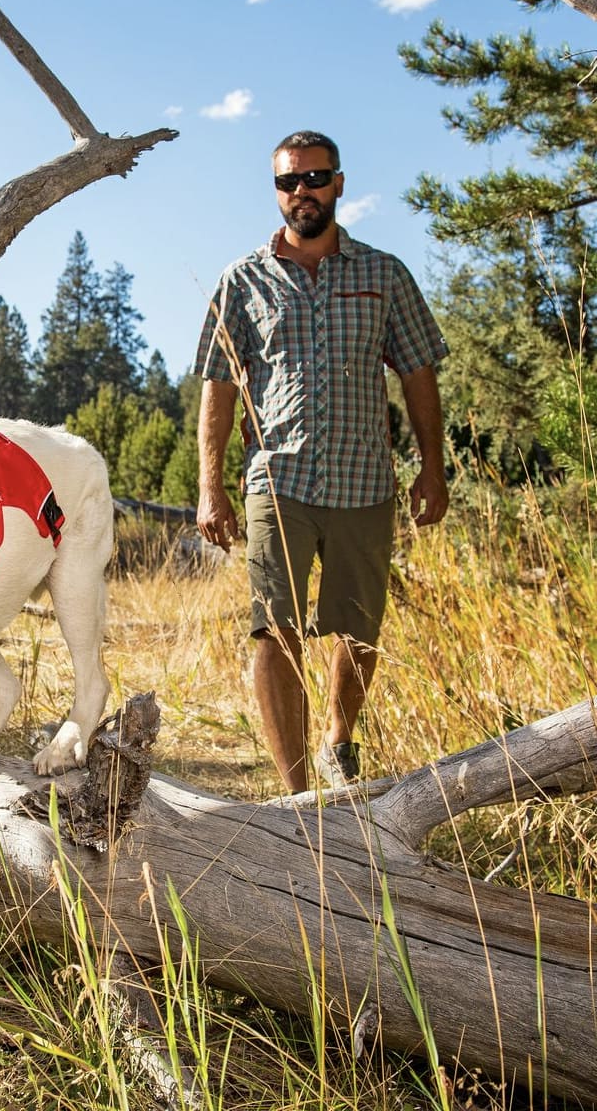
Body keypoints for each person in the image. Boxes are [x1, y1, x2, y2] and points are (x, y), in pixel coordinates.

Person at [194, 130, 449, 794]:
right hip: (277, 481)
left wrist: (433, 466)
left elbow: (419, 373)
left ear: (339, 184)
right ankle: (298, 793)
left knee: (358, 631)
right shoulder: (242, 279)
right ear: (276, 191)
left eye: (314, 178)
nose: (300, 192)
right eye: (288, 182)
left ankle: (339, 741)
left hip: (365, 480)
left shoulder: (384, 274)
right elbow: (218, 386)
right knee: (273, 628)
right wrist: (210, 488)